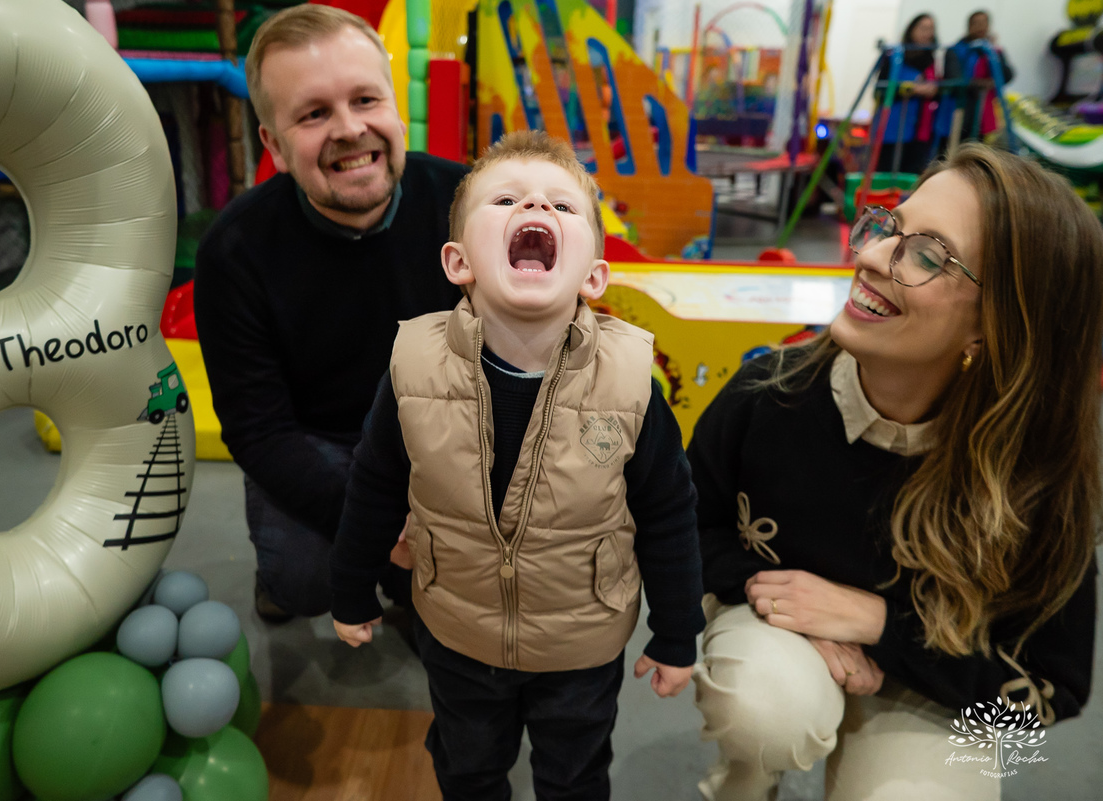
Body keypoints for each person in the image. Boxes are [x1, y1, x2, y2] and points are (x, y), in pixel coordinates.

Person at [689, 143, 1099, 801]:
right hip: (780, 630)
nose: (872, 256)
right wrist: (789, 605)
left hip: (936, 677)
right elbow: (682, 525)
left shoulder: (1041, 477)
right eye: (888, 225)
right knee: (766, 707)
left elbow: (1048, 696)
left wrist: (883, 626)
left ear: (997, 327)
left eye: (930, 255)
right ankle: (744, 779)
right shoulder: (769, 393)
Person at [328, 131, 706, 800]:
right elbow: (375, 485)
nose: (535, 204)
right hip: (457, 631)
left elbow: (668, 511)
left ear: (594, 273)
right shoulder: (413, 366)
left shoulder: (628, 384)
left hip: (581, 646)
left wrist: (677, 631)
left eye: (563, 207)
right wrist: (354, 586)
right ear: (458, 261)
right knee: (468, 766)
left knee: (574, 775)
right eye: (506, 199)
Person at [193, 5, 469, 621]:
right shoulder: (235, 252)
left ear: (397, 111)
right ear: (275, 145)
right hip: (313, 441)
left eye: (366, 100)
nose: (349, 129)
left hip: (441, 436)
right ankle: (292, 574)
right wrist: (380, 521)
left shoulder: (472, 208)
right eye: (315, 114)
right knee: (306, 581)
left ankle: (408, 588)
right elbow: (257, 428)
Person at [874, 14, 941, 176]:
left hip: (920, 131)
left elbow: (938, 94)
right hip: (893, 129)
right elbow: (879, 92)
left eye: (931, 29)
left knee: (912, 175)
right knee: (886, 175)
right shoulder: (895, 56)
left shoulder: (932, 60)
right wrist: (912, 89)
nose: (927, 33)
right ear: (911, 30)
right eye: (923, 28)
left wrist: (934, 91)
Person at [938, 10, 1014, 145]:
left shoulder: (992, 51)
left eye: (984, 23)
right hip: (959, 111)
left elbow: (1007, 75)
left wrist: (994, 51)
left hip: (984, 112)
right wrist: (979, 84)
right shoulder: (955, 50)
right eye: (976, 23)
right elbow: (954, 78)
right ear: (969, 26)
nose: (980, 27)